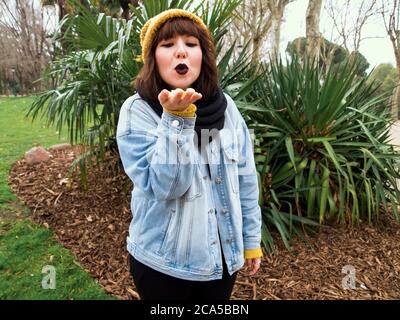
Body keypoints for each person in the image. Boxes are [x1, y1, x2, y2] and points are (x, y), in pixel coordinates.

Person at [116, 8, 263, 301]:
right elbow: (168, 186)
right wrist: (176, 119)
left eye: (191, 44)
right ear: (153, 59)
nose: (180, 51)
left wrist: (250, 240)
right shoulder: (137, 111)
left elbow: (245, 178)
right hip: (163, 267)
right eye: (167, 45)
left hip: (221, 262)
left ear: (202, 57)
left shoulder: (227, 107)